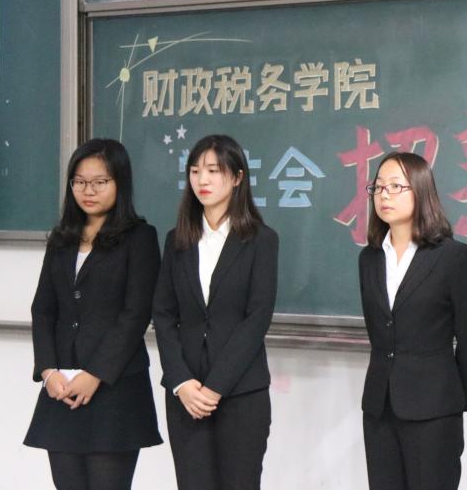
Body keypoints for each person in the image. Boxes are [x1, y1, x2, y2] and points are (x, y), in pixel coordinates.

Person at [25, 138, 162, 490]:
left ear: (120, 183)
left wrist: (96, 373)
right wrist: (47, 370)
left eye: (100, 181)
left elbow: (136, 314)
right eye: (80, 181)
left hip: (115, 389)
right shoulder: (61, 239)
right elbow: (43, 309)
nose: (88, 190)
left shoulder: (140, 238)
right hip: (62, 388)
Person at [152, 134, 278, 490]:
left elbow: (257, 318)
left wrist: (215, 388)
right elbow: (163, 314)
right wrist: (181, 381)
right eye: (194, 171)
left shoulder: (261, 240)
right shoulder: (177, 240)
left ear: (237, 177)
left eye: (213, 170)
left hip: (241, 393)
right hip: (186, 395)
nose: (202, 180)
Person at [359, 151, 467, 490]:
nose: (384, 195)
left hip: (435, 409)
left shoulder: (453, 257)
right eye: (378, 187)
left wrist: (454, 399)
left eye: (396, 186)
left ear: (420, 191)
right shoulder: (370, 258)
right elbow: (379, 332)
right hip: (379, 407)